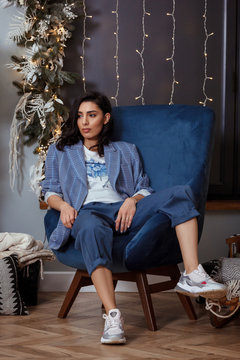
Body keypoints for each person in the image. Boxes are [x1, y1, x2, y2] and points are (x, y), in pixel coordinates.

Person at [41, 91, 226, 345]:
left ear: (105, 118)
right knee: (91, 229)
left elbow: (144, 186)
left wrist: (132, 200)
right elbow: (49, 189)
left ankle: (192, 274)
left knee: (180, 194)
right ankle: (113, 316)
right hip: (87, 212)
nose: (84, 122)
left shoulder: (126, 150)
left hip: (123, 211)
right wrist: (62, 206)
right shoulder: (60, 151)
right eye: (80, 116)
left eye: (91, 115)